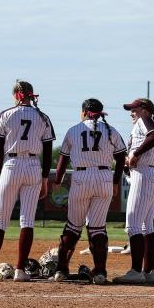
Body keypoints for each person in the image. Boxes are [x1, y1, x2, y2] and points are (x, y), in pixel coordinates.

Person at [0, 80, 55, 282]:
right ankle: (21, 270)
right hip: (33, 167)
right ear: (32, 95)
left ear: (16, 95)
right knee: (27, 222)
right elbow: (47, 153)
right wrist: (45, 178)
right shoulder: (43, 117)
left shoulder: (6, 114)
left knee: (0, 220)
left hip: (11, 165)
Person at [51, 98, 127, 285]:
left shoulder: (74, 130)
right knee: (97, 227)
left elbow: (62, 161)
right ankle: (100, 272)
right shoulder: (111, 130)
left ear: (84, 111)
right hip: (104, 177)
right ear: (101, 112)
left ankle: (61, 269)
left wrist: (57, 180)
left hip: (81, 177)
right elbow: (121, 158)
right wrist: (116, 182)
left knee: (73, 226)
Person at [113, 98, 154, 285]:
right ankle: (149, 272)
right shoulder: (143, 123)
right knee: (146, 228)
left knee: (132, 225)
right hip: (151, 176)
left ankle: (136, 272)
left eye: (134, 109)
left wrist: (135, 154)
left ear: (144, 109)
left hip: (144, 176)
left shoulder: (145, 120)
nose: (131, 112)